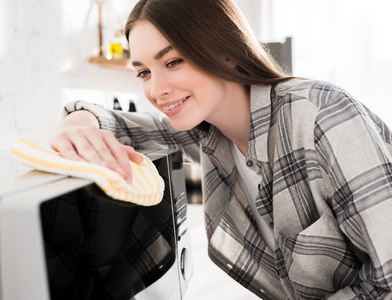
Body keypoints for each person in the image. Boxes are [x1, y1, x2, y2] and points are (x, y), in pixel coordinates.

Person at [50, 0, 392, 298]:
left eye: (173, 62)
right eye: (143, 73)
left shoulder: (323, 115)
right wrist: (78, 120)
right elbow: (124, 128)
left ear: (225, 51)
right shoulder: (210, 134)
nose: (156, 89)